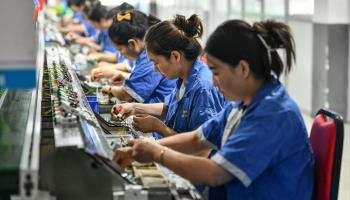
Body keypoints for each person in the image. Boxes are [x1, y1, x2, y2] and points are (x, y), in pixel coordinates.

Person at [113, 19, 314, 200]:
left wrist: (158, 153)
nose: (214, 83)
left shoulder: (274, 115)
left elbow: (215, 173)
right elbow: (197, 139)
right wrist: (139, 149)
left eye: (216, 72)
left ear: (243, 69)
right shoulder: (243, 105)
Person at [111, 14, 226, 139]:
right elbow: (170, 109)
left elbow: (201, 146)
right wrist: (134, 108)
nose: (154, 69)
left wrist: (159, 127)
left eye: (156, 63)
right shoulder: (184, 77)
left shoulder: (203, 88)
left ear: (175, 57)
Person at [100, 10, 176, 103]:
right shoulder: (146, 54)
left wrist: (109, 89)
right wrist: (125, 76)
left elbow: (127, 95)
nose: (121, 54)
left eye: (120, 49)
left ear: (132, 43)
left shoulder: (149, 58)